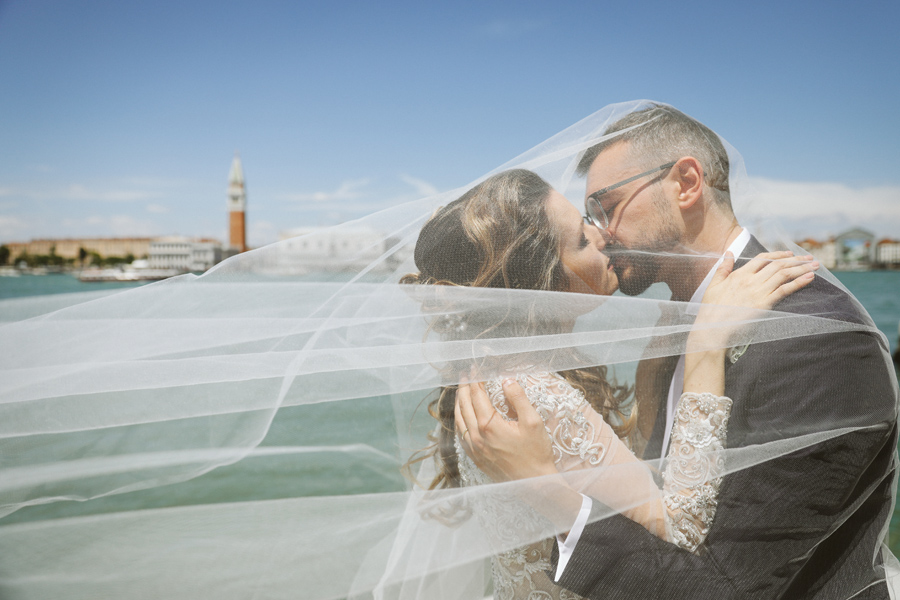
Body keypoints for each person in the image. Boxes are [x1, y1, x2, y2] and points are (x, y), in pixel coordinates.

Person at [456, 105, 899, 599]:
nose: (601, 233)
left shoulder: (815, 338)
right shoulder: (673, 328)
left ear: (686, 183)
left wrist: (551, 495)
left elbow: (726, 587)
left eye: (606, 205)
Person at [403, 168, 818, 599]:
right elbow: (682, 529)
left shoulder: (487, 375)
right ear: (544, 283)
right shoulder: (532, 396)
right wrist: (706, 344)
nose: (601, 235)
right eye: (582, 239)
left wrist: (650, 385)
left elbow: (608, 488)